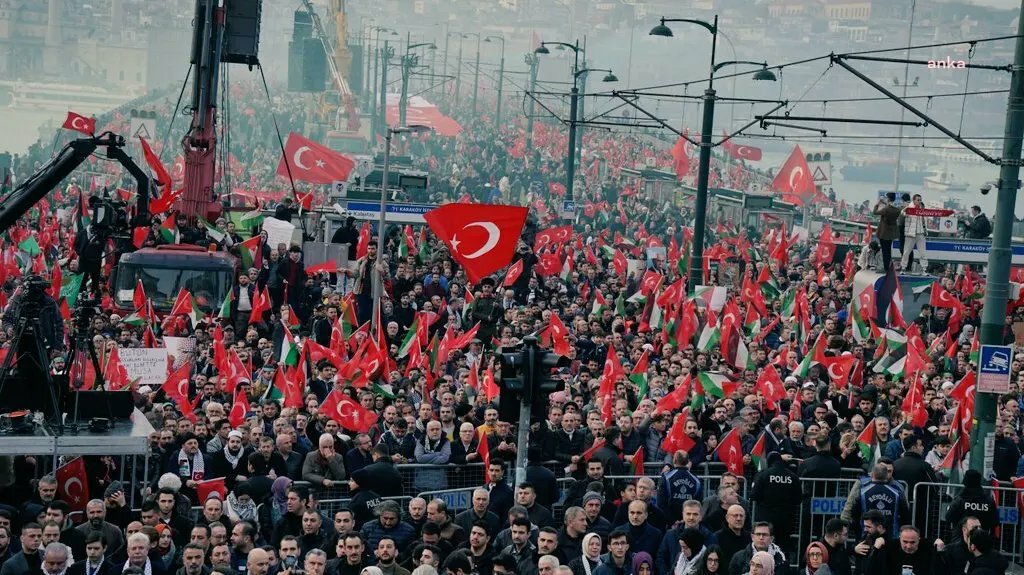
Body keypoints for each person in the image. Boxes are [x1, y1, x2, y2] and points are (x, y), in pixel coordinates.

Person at [873, 194, 903, 271]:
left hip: (883, 232)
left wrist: (877, 204)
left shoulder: (886, 209)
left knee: (884, 250)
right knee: (888, 250)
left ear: (888, 199)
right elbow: (891, 208)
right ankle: (888, 266)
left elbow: (875, 212)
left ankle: (886, 267)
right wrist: (886, 203)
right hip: (891, 233)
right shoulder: (897, 209)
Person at [900, 194, 928, 273]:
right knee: (906, 252)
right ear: (914, 200)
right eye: (918, 200)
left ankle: (924, 269)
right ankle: (903, 268)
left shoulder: (922, 209)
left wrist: (925, 231)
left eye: (920, 200)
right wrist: (907, 208)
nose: (919, 201)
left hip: (920, 233)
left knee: (923, 252)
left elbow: (924, 221)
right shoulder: (909, 208)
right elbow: (902, 213)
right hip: (910, 234)